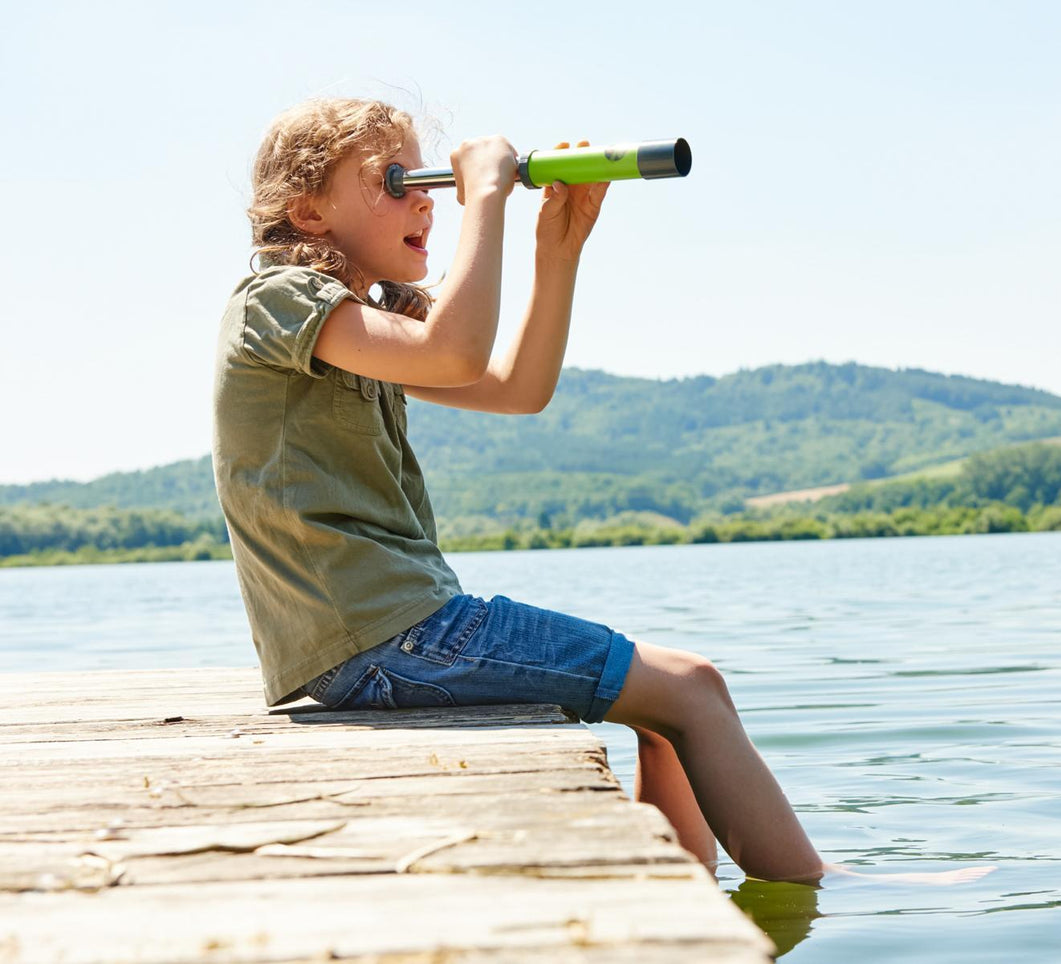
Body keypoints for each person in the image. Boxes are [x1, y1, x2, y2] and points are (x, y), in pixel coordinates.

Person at [213, 97, 992, 888]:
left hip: (386, 638)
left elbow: (517, 388)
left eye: (434, 181)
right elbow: (453, 354)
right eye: (394, 179)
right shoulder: (275, 303)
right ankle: (816, 890)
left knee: (670, 716)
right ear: (308, 211)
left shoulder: (352, 322)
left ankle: (691, 899)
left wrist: (559, 251)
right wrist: (486, 198)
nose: (427, 198)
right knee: (692, 687)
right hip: (387, 638)